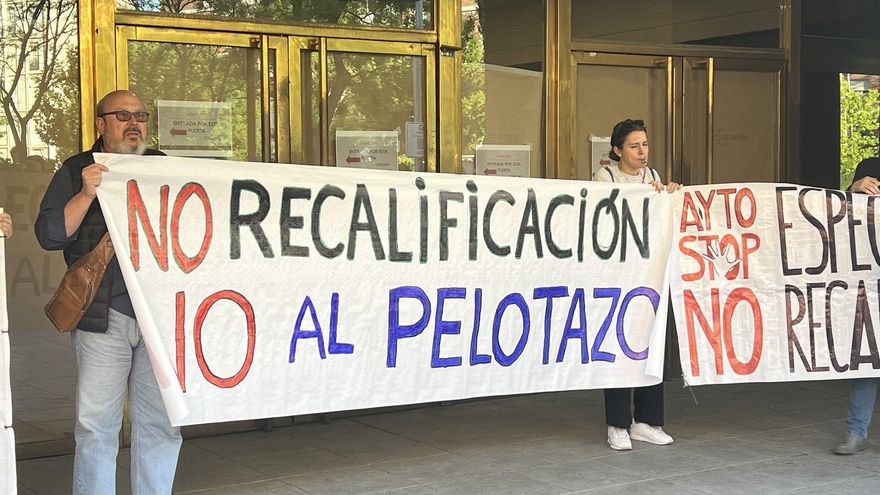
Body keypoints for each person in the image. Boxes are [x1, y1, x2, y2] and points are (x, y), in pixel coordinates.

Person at [35, 90, 182, 493]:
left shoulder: (163, 168)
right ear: (101, 124)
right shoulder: (77, 169)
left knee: (163, 425)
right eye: (122, 115)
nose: (133, 123)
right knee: (97, 427)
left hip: (159, 318)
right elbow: (49, 235)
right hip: (103, 320)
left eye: (140, 116)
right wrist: (85, 194)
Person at [593, 118, 680, 450]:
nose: (642, 152)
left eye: (645, 144)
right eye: (634, 145)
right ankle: (617, 424)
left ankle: (646, 421)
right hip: (616, 278)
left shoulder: (653, 177)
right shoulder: (605, 178)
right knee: (618, 348)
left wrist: (668, 195)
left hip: (648, 278)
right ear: (617, 150)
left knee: (649, 346)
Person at [835, 155, 880, 455]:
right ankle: (856, 430)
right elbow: (832, 210)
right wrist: (853, 188)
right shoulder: (869, 167)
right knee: (867, 355)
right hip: (870, 277)